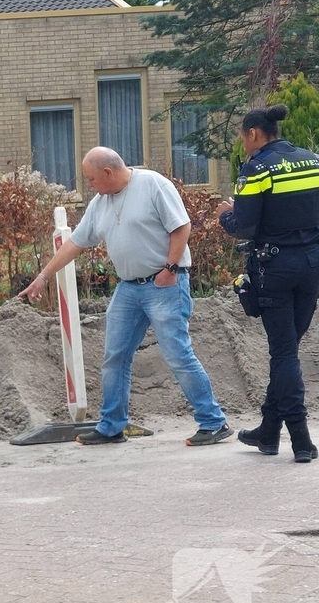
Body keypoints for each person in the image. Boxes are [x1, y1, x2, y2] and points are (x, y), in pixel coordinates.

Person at [19, 147, 229, 445]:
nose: (88, 184)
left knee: (177, 354)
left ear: (108, 172)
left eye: (91, 178)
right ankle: (112, 426)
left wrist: (170, 268)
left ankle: (213, 422)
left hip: (165, 285)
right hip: (128, 289)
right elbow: (76, 243)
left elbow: (181, 226)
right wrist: (43, 277)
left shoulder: (153, 185)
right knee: (114, 357)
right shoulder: (100, 203)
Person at [215, 104, 319, 463]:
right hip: (312, 266)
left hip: (275, 269)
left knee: (284, 354)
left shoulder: (257, 168)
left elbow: (244, 227)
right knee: (288, 350)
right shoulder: (312, 160)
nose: (243, 144)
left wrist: (226, 215)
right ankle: (269, 431)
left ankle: (301, 440)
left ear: (254, 134)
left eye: (243, 138)